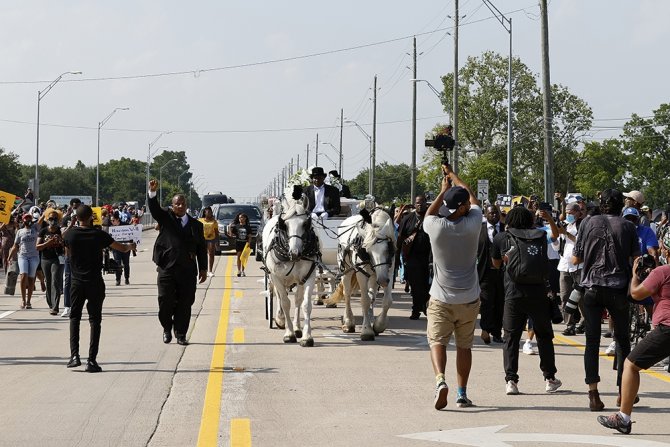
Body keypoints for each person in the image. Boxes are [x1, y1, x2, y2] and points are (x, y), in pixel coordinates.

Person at [572, 188, 640, 411]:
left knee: (591, 342)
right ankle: (623, 392)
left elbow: (576, 258)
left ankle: (593, 393)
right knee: (622, 341)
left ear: (601, 204)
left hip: (591, 287)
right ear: (621, 205)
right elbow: (636, 261)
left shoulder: (587, 223)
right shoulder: (628, 227)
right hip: (618, 288)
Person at [423, 162, 482, 409]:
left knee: (437, 341)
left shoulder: (436, 228)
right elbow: (469, 193)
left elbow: (429, 214)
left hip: (441, 297)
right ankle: (461, 392)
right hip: (468, 298)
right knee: (464, 347)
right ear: (464, 207)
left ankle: (440, 381)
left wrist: (441, 190)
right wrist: (453, 176)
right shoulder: (474, 223)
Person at [597, 234, 670, 434]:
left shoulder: (663, 271)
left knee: (630, 365)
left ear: (666, 250)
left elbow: (636, 294)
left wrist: (635, 275)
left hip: (667, 328)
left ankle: (623, 418)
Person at [491, 206, 562, 395]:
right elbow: (555, 236)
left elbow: (495, 264)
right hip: (538, 292)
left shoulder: (502, 238)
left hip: (513, 293)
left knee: (511, 338)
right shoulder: (540, 235)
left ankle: (511, 381)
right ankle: (549, 378)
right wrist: (550, 219)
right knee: (544, 336)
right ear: (530, 220)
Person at [63, 205, 135, 372]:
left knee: (75, 317)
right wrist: (130, 246)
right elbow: (121, 248)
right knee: (95, 320)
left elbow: (68, 254)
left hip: (76, 282)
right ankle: (92, 360)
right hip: (95, 281)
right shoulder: (99, 235)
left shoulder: (70, 235)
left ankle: (74, 356)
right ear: (90, 218)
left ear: (77, 217)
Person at [148, 179, 207, 346]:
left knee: (185, 303)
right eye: (176, 204)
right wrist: (152, 193)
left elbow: (201, 248)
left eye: (182, 203)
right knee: (164, 301)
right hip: (166, 268)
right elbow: (154, 209)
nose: (179, 206)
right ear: (172, 206)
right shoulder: (166, 218)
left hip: (187, 270)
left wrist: (203, 268)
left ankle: (181, 334)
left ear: (186, 205)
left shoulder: (196, 225)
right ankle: (167, 328)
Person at [397, 196, 431, 319]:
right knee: (415, 286)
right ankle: (416, 309)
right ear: (414, 204)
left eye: (422, 202)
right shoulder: (408, 219)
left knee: (428, 285)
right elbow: (400, 237)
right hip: (412, 257)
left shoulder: (431, 217)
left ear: (426, 204)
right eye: (417, 203)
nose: (420, 205)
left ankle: (427, 308)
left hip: (429, 257)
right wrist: (397, 255)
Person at [555, 203, 585, 335]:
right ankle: (569, 324)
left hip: (579, 265)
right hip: (564, 265)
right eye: (567, 212)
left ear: (578, 212)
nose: (568, 215)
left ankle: (584, 322)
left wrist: (565, 233)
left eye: (571, 212)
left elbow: (580, 242)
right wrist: (555, 238)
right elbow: (557, 247)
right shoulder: (565, 225)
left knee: (581, 297)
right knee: (565, 296)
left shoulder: (583, 226)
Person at [477, 204, 505, 344]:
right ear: (485, 215)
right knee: (486, 303)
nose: (494, 215)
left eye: (496, 213)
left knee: (500, 303)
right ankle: (485, 329)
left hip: (502, 274)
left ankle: (497, 332)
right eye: (491, 213)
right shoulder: (479, 230)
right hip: (485, 273)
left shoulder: (506, 230)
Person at [7, 213, 40, 309]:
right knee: (23, 276)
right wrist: (9, 257)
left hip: (34, 257)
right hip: (23, 256)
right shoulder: (20, 231)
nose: (28, 220)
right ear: (23, 220)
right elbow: (15, 245)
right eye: (26, 219)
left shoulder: (35, 229)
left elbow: (41, 219)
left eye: (29, 218)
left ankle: (29, 301)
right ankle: (23, 300)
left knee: (31, 279)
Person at [36, 210, 65, 315]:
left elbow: (66, 245)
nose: (53, 221)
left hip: (57, 259)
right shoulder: (43, 231)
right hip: (45, 259)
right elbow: (37, 247)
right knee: (48, 283)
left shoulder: (61, 231)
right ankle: (51, 304)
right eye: (51, 219)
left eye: (55, 219)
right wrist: (48, 242)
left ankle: (55, 307)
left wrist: (60, 241)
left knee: (55, 282)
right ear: (47, 220)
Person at [60, 198, 83, 318]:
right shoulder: (66, 219)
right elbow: (62, 235)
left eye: (78, 207)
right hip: (69, 254)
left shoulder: (85, 218)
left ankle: (78, 305)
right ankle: (67, 306)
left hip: (82, 254)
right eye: (74, 207)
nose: (76, 209)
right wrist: (72, 224)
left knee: (81, 281)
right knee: (68, 281)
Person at [110, 214, 132, 286]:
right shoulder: (112, 228)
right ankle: (118, 279)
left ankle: (127, 278)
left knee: (126, 263)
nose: (112, 222)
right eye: (111, 220)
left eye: (113, 220)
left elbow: (132, 233)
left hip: (125, 247)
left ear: (117, 220)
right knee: (117, 263)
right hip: (116, 248)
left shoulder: (125, 225)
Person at [228, 213, 252, 277]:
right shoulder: (236, 226)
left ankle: (243, 271)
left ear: (245, 218)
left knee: (244, 258)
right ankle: (238, 270)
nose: (240, 219)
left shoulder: (248, 227)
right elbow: (231, 235)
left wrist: (249, 243)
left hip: (245, 243)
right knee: (239, 257)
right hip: (238, 243)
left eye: (242, 217)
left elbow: (249, 236)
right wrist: (230, 228)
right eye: (239, 218)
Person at [198, 206, 219, 276]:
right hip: (202, 239)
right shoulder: (200, 220)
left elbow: (216, 232)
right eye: (208, 211)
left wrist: (217, 242)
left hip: (211, 239)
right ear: (204, 212)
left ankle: (210, 271)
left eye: (210, 212)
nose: (209, 213)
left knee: (211, 254)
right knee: (202, 255)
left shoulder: (214, 221)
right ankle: (202, 270)